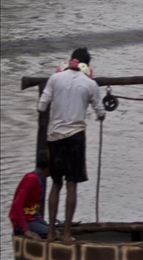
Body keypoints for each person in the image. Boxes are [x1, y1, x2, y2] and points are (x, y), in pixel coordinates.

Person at [37, 47, 105, 243]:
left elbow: (41, 106)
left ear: (70, 61)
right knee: (72, 185)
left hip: (55, 136)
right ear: (87, 65)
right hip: (75, 136)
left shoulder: (55, 78)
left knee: (56, 184)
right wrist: (101, 113)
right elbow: (100, 112)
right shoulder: (90, 84)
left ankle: (50, 233)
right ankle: (66, 234)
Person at [8, 151, 50, 239]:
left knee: (54, 232)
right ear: (47, 168)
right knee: (52, 234)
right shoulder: (31, 179)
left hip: (32, 217)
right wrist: (26, 230)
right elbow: (17, 203)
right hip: (22, 221)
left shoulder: (39, 180)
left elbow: (33, 205)